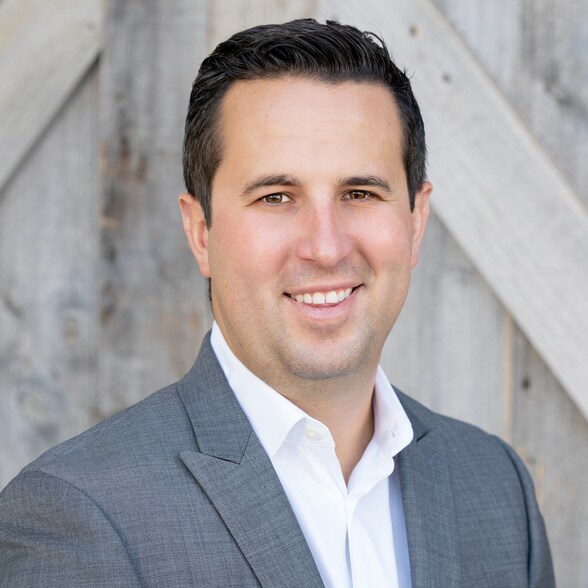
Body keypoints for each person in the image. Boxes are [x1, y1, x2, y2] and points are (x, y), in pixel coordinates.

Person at [0, 19, 555, 588]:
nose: (326, 247)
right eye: (276, 197)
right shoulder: (78, 516)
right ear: (201, 232)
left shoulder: (496, 489)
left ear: (415, 221)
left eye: (359, 193)